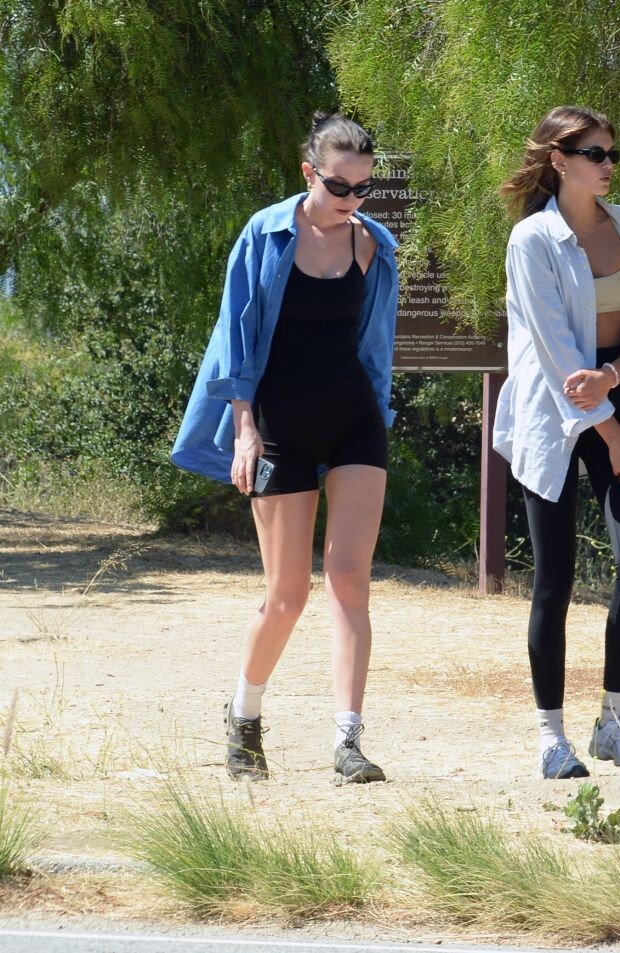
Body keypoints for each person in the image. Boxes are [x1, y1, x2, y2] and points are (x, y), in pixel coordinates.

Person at [172, 112, 399, 784]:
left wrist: (379, 414)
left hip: (353, 418)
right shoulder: (266, 234)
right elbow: (234, 340)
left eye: (363, 188)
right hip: (278, 423)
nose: (351, 199)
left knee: (350, 578)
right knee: (288, 595)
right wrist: (243, 429)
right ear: (309, 174)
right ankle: (243, 717)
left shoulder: (373, 245)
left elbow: (375, 346)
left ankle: (348, 741)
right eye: (339, 186)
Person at [495, 106, 620, 779]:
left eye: (612, 154)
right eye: (594, 154)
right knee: (555, 576)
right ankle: (552, 736)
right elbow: (555, 353)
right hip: (555, 408)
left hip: (617, 391)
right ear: (559, 161)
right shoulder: (532, 240)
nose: (607, 165)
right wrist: (615, 437)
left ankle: (613, 720)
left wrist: (613, 377)